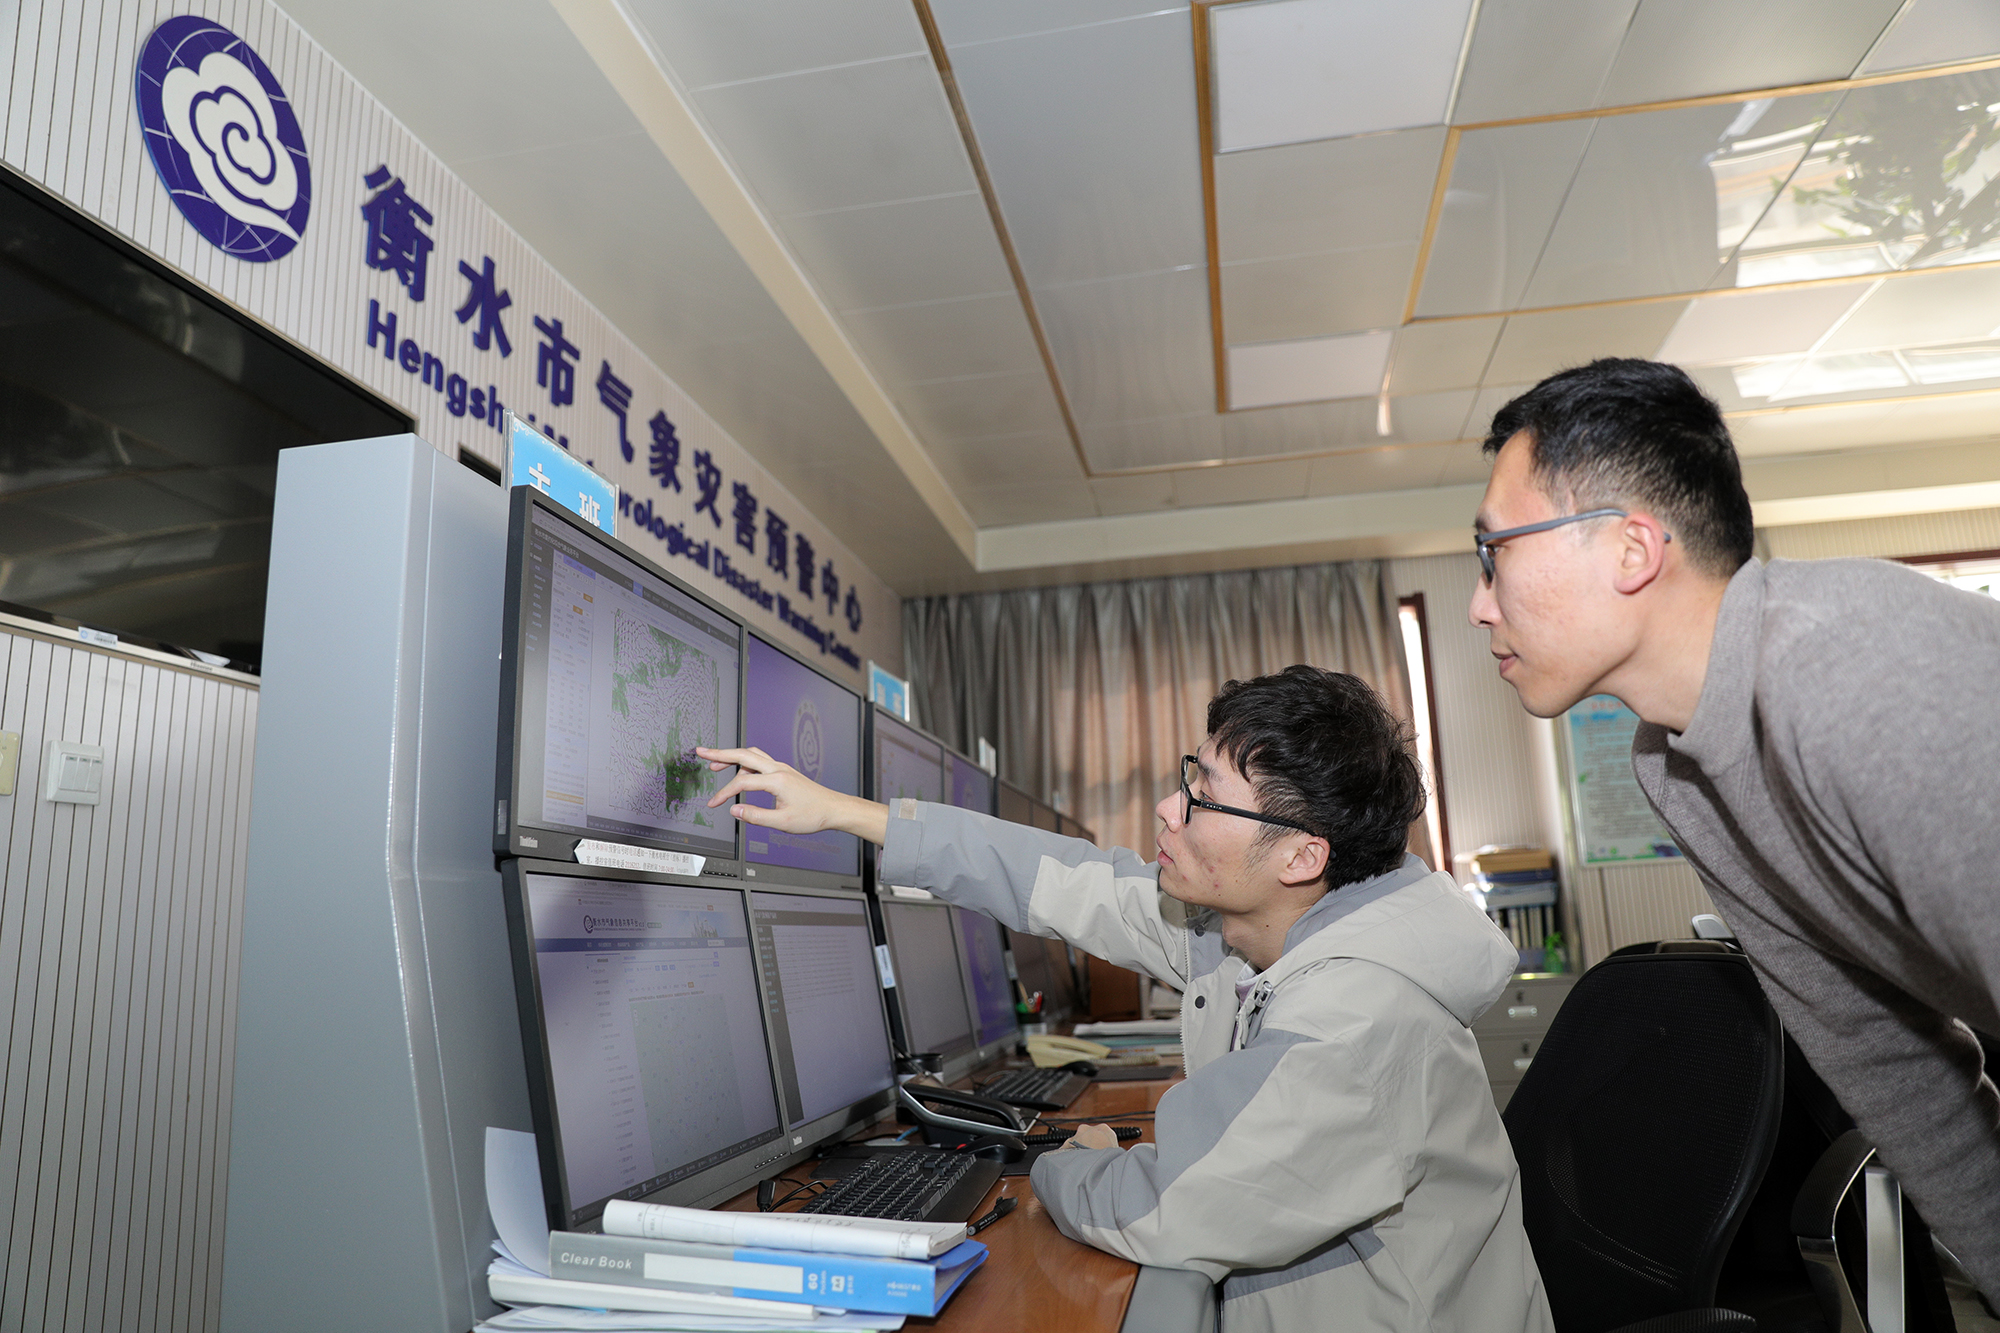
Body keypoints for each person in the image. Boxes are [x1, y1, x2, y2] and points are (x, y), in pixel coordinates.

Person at [697, 666, 1551, 1332]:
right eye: (1189, 774)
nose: (1168, 809)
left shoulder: (1357, 1025)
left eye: (1203, 796)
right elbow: (1069, 881)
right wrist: (844, 812)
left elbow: (1167, 1203)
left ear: (1300, 856)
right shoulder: (1256, 926)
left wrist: (1071, 1162)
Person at [1468, 356, 2000, 1297]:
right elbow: (1883, 1056)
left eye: (1493, 552)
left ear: (1631, 549)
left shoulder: (1852, 677)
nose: (1479, 604)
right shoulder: (1675, 760)